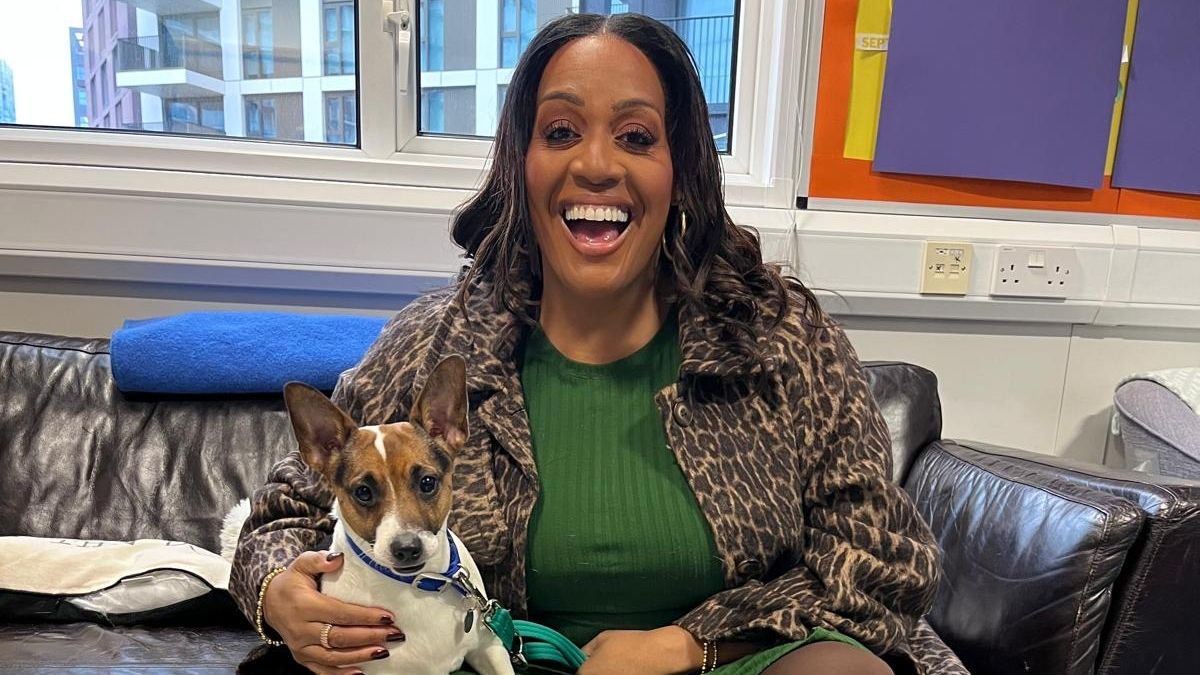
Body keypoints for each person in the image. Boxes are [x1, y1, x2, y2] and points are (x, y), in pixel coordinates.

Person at [230, 12, 939, 675]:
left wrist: (687, 643)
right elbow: (280, 516)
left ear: (680, 169)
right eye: (562, 132)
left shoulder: (780, 342)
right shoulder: (433, 344)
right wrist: (278, 594)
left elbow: (884, 564)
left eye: (636, 137)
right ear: (522, 164)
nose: (596, 164)